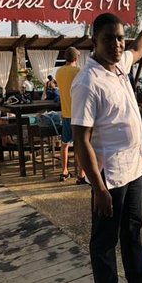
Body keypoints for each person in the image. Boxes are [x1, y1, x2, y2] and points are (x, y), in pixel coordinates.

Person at [72, 13, 142, 283]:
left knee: (133, 227)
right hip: (109, 176)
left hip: (133, 168)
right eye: (109, 39)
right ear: (94, 42)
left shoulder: (119, 66)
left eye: (119, 38)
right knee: (104, 240)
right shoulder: (87, 82)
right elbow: (81, 140)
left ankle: (138, 275)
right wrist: (98, 188)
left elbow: (138, 49)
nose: (117, 44)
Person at [55, 47, 86, 184]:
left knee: (65, 144)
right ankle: (81, 174)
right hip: (78, 113)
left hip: (66, 113)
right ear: (76, 58)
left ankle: (64, 171)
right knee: (80, 146)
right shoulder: (79, 72)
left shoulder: (59, 72)